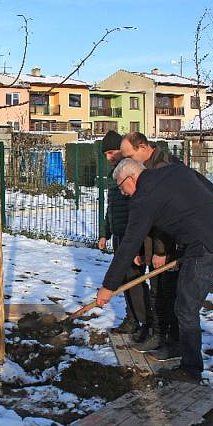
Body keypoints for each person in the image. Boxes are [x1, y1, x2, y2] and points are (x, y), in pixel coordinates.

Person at [95, 158, 213, 384]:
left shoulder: (142, 199)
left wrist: (108, 286)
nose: (123, 193)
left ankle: (191, 370)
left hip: (205, 248)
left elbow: (128, 245)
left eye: (121, 186)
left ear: (131, 178)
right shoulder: (176, 171)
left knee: (185, 308)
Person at [120, 132, 180, 357]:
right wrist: (144, 249)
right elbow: (146, 219)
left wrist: (160, 250)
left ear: (143, 147)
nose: (127, 161)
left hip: (169, 246)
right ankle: (157, 334)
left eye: (129, 155)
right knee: (157, 292)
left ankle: (171, 340)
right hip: (154, 244)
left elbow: (165, 216)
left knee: (168, 294)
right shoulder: (146, 169)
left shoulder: (163, 168)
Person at [98, 131, 150, 340]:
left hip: (133, 237)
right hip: (120, 234)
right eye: (106, 154)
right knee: (124, 280)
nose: (108, 157)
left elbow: (141, 213)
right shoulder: (116, 175)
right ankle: (132, 319)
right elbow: (111, 209)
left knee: (136, 282)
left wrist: (140, 247)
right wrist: (105, 233)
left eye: (111, 152)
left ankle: (147, 323)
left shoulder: (134, 173)